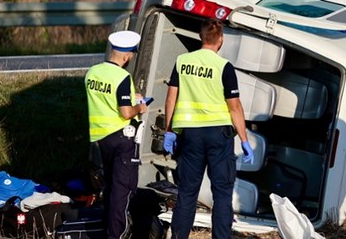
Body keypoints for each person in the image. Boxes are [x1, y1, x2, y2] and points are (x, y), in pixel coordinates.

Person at [163, 19, 253, 239]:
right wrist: (244, 139)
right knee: (222, 193)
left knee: (187, 192)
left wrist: (169, 130)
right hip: (217, 136)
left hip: (190, 135)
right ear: (220, 39)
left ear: (201, 37)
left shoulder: (182, 61)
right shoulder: (223, 67)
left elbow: (171, 97)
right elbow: (235, 107)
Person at [84, 30, 147, 239]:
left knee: (110, 187)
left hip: (102, 139)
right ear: (127, 55)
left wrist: (130, 97)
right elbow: (126, 112)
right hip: (122, 139)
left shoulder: (92, 72)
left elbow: (106, 98)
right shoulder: (122, 77)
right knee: (122, 191)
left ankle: (107, 231)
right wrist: (140, 107)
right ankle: (117, 235)